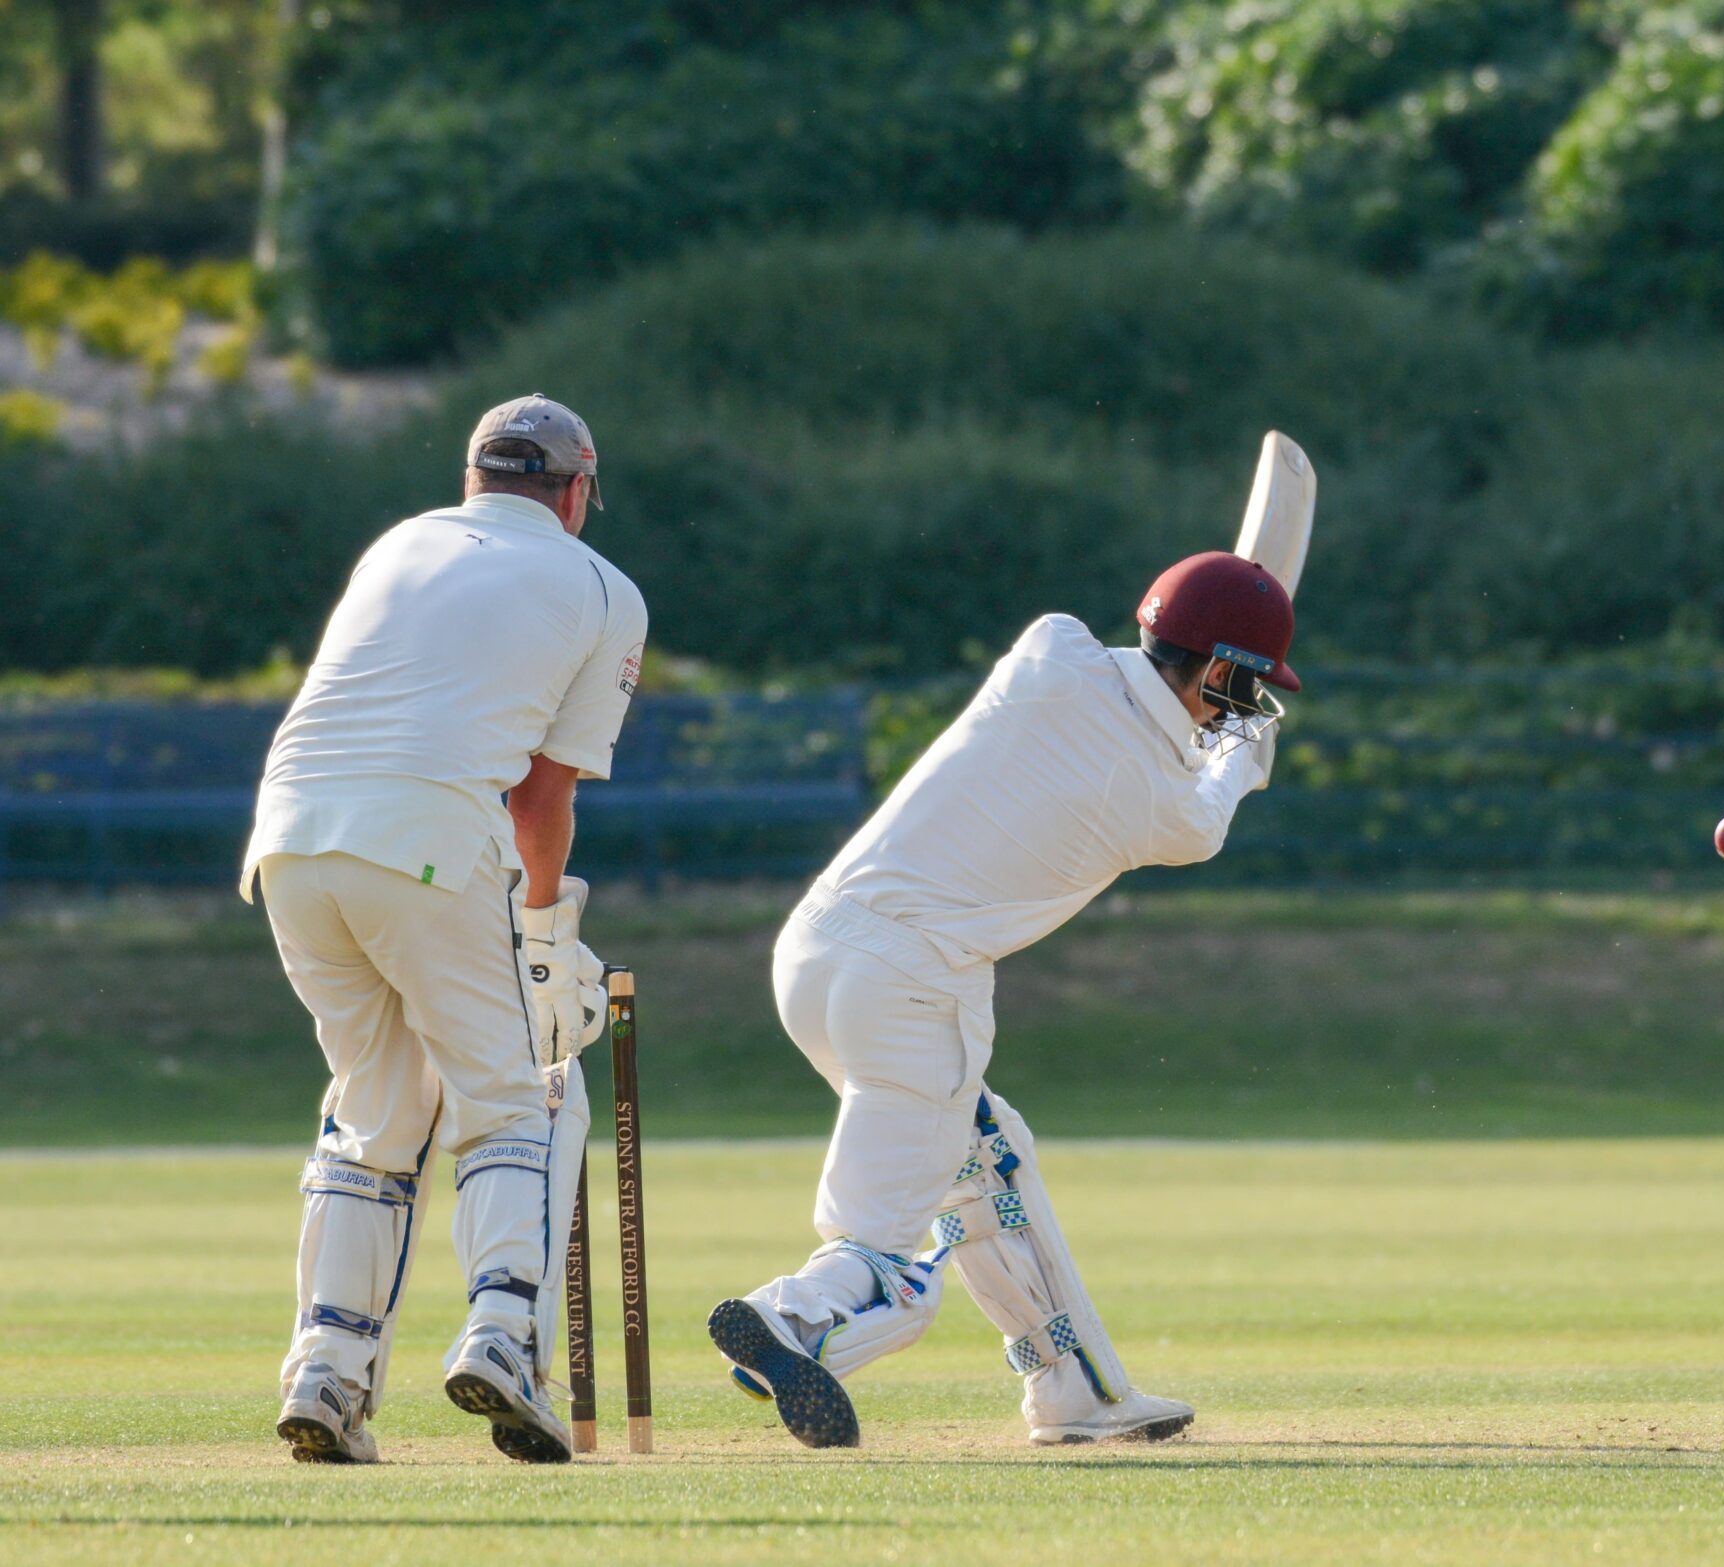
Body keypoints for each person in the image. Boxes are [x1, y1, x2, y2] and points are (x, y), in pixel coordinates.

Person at [709, 550, 1297, 1448]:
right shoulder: (1164, 808)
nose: (1237, 711)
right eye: (1237, 690)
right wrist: (1245, 758)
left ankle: (1073, 1390)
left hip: (814, 950)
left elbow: (1122, 690)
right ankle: (795, 1318)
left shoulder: (1049, 645)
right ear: (1218, 669)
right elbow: (1205, 808)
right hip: (913, 986)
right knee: (888, 1247)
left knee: (991, 1160)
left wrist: (1202, 662)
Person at [244, 395, 647, 1464]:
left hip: (288, 837)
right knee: (511, 1097)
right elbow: (541, 796)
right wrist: (547, 930)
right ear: (575, 490)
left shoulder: (400, 542)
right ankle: (505, 1333)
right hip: (423, 838)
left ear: (474, 479)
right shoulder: (600, 586)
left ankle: (327, 1374)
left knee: (374, 1112)